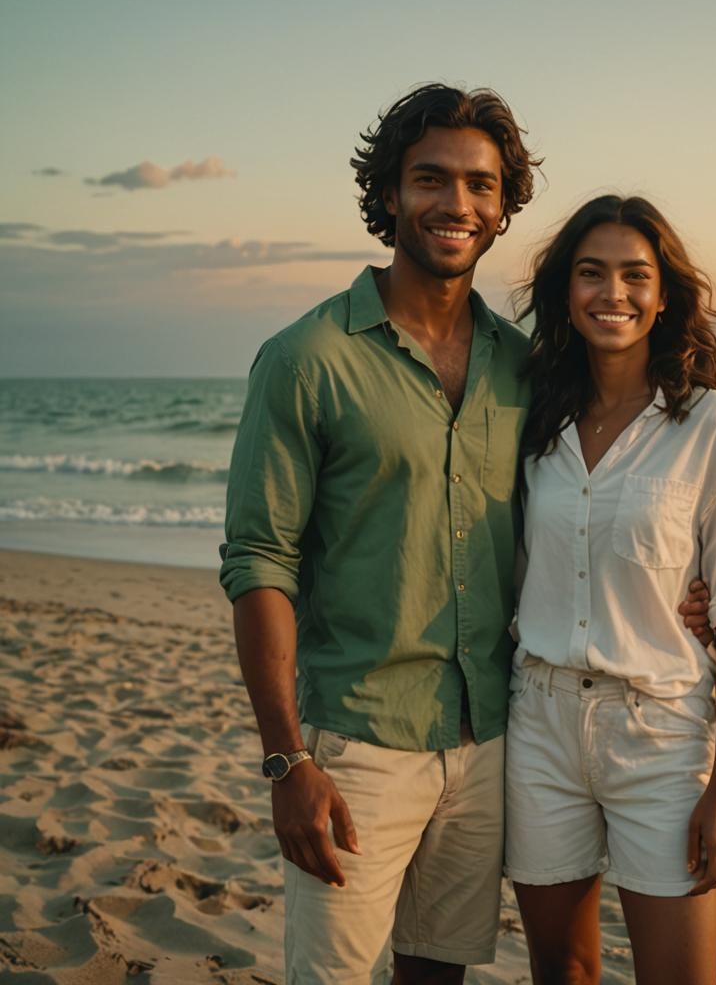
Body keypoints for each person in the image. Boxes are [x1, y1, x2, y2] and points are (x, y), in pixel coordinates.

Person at [219, 83, 541, 983]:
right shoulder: (306, 358)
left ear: (503, 205)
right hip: (356, 745)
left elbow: (580, 513)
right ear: (390, 195)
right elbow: (259, 562)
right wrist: (286, 761)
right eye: (430, 179)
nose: (456, 204)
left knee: (437, 974)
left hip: (486, 742)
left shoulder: (523, 366)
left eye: (480, 185)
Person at [506, 195, 716, 984]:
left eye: (634, 275)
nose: (611, 293)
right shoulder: (533, 419)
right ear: (566, 291)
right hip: (540, 728)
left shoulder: (712, 425)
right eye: (591, 274)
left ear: (663, 295)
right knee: (563, 971)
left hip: (659, 736)